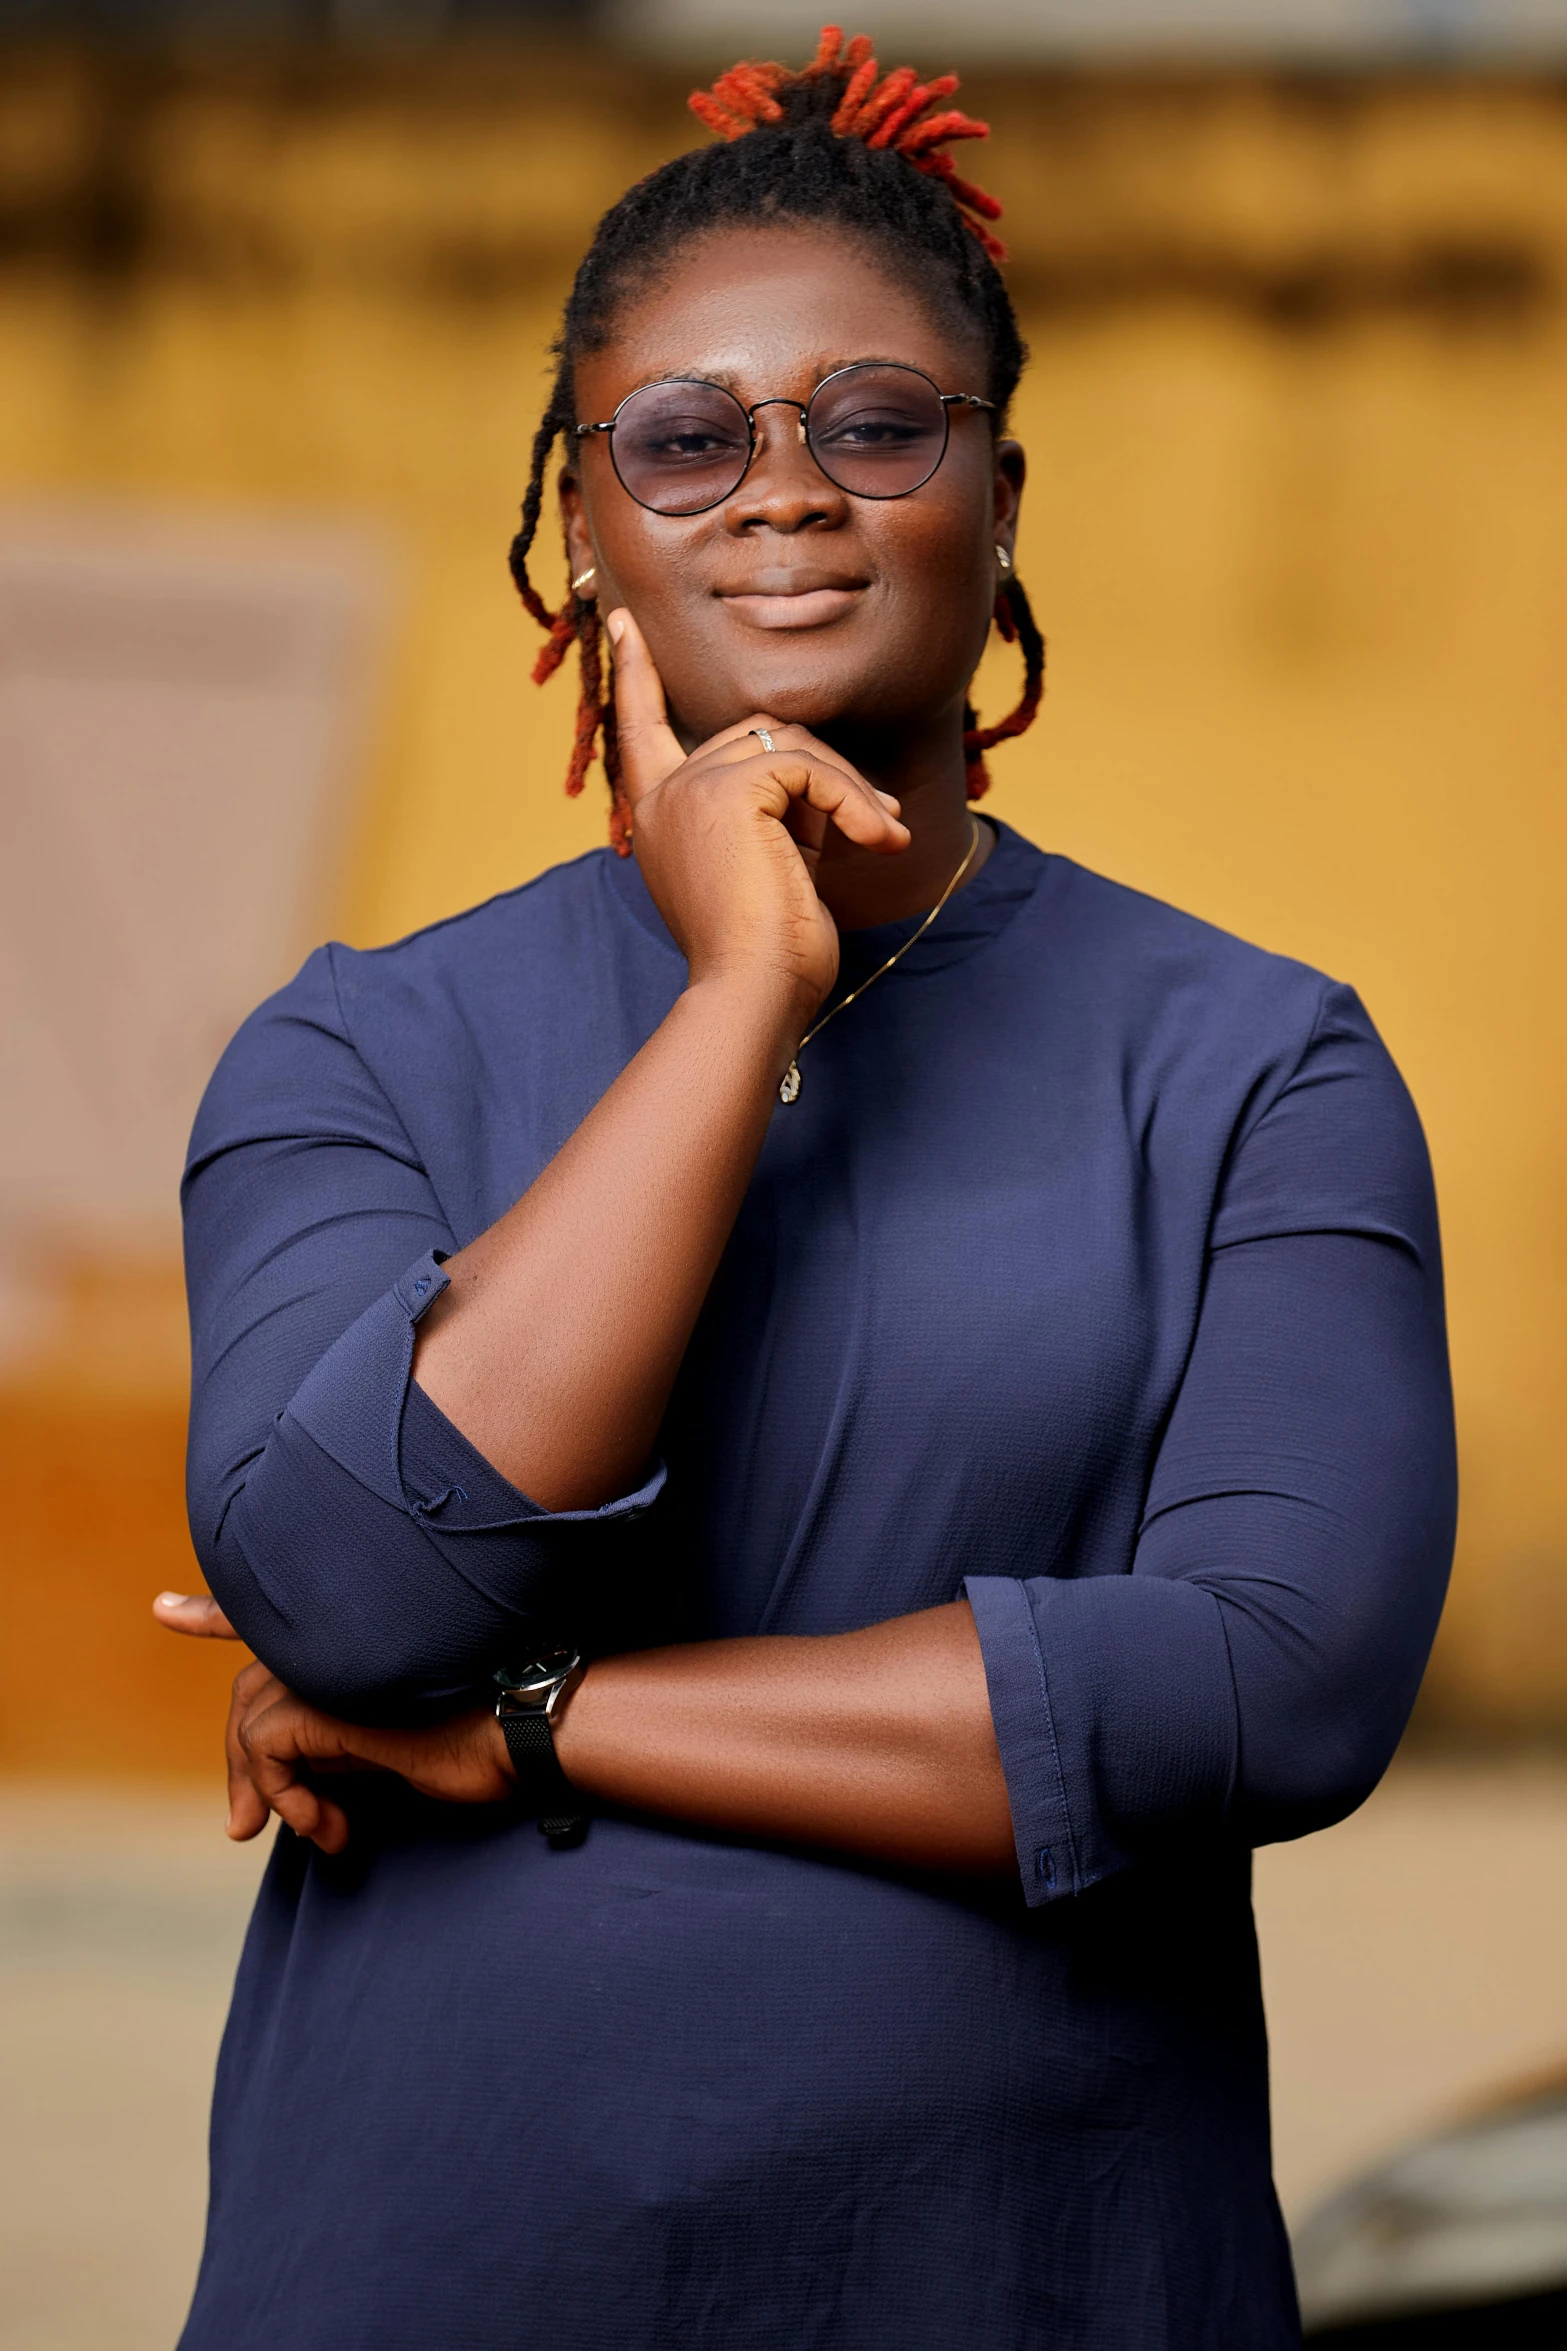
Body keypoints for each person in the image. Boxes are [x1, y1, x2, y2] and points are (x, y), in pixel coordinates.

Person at [156, 28, 1456, 2349]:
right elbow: (355, 1582)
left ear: (1001, 489)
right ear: (584, 524)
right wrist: (740, 980)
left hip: (1035, 2291)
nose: (786, 493)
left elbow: (1265, 1688)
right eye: (685, 436)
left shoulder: (1259, 1062)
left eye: (877, 419)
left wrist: (535, 1719)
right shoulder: (352, 1047)